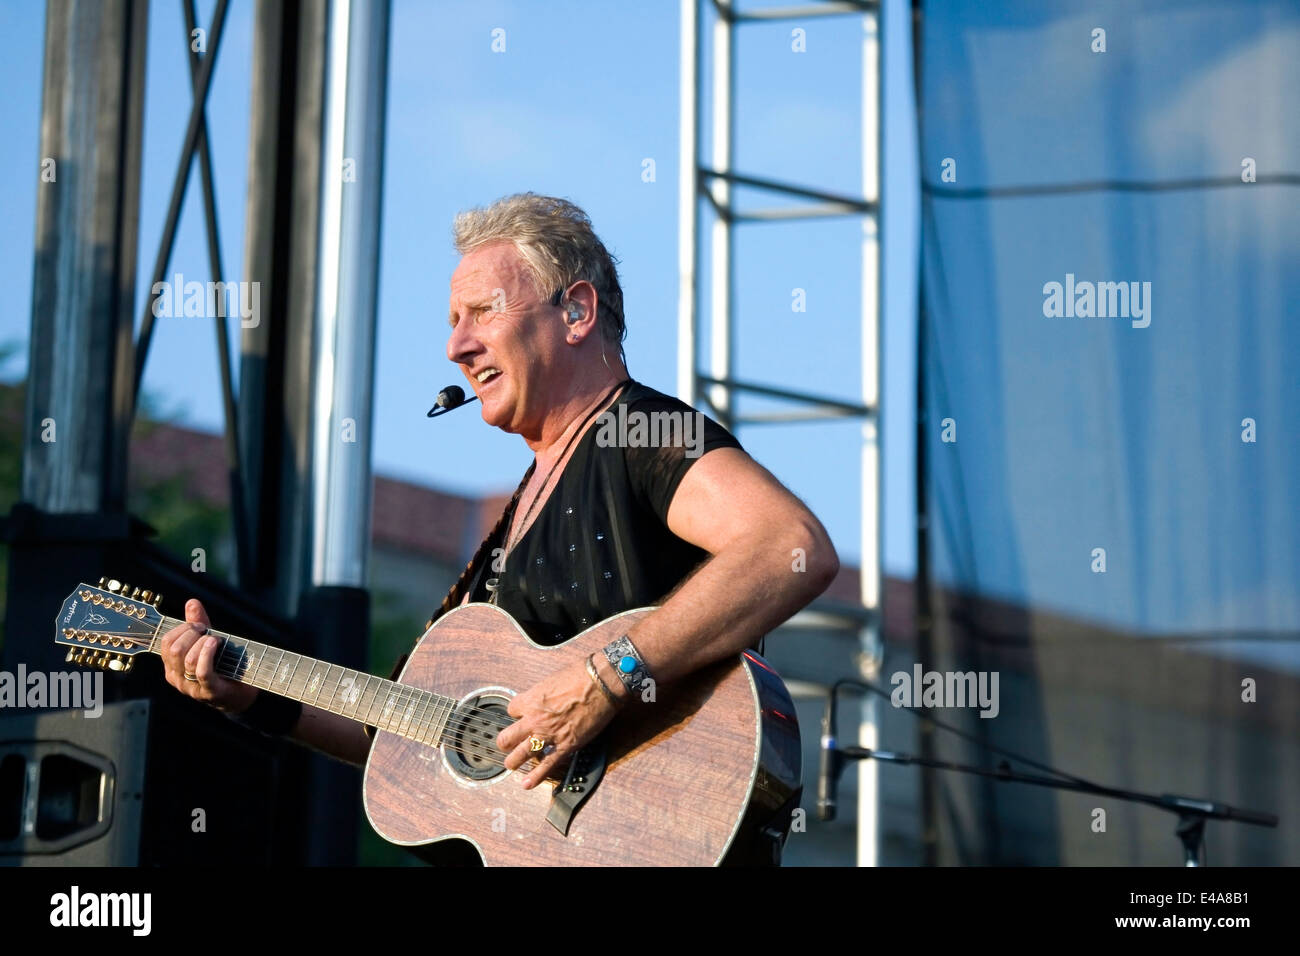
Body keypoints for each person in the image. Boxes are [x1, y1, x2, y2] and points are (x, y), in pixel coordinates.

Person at [158, 193, 839, 852]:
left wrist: (603, 681)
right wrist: (252, 696)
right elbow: (403, 732)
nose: (457, 346)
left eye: (482, 311)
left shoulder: (641, 430)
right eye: (453, 321)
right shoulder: (513, 520)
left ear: (575, 310)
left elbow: (789, 546)